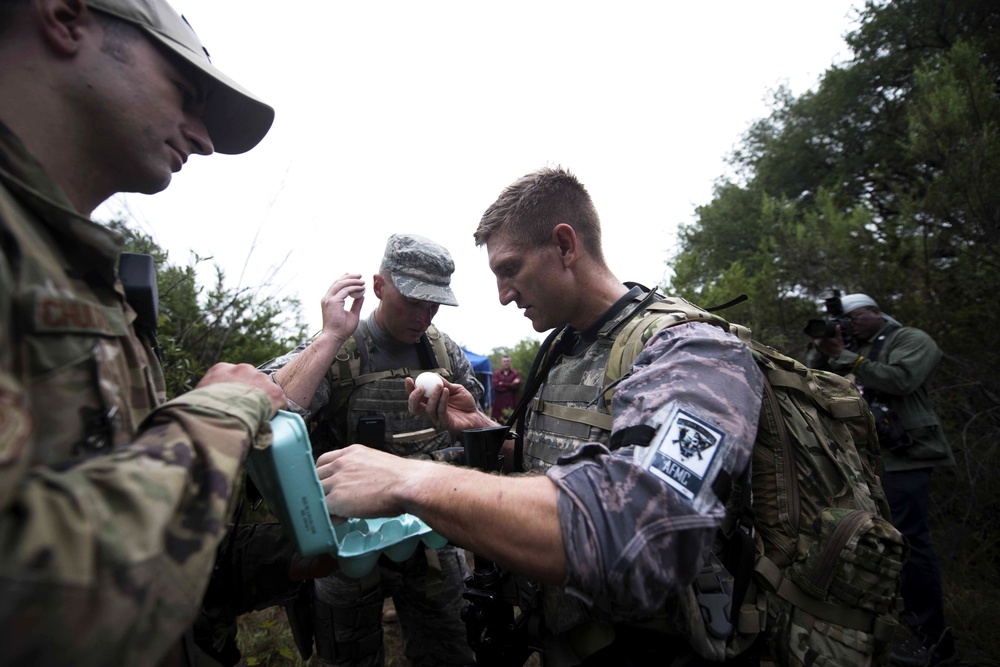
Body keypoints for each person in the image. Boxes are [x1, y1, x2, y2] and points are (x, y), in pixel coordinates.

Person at [314, 167, 765, 664]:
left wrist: (410, 479)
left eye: (510, 269)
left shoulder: (690, 351)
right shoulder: (563, 353)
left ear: (565, 246)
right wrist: (483, 431)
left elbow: (646, 531)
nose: (504, 294)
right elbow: (559, 468)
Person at [0, 0, 293, 664]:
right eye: (186, 93)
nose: (204, 136)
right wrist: (217, 413)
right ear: (66, 17)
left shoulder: (81, 276)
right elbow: (33, 605)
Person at [260, 233, 481, 667]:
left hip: (429, 535)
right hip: (348, 544)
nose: (424, 315)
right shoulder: (340, 350)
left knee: (451, 649)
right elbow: (270, 416)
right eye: (413, 300)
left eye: (434, 304)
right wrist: (327, 337)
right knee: (348, 656)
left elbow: (478, 430)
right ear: (379, 286)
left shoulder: (441, 351)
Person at [806, 294, 956, 666]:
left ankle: (932, 641)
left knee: (907, 542)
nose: (849, 325)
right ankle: (867, 626)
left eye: (855, 317)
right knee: (862, 538)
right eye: (844, 321)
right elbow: (814, 383)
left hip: (906, 457)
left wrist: (846, 356)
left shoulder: (910, 339)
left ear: (876, 312)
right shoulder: (851, 348)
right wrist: (823, 350)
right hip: (860, 459)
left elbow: (902, 380)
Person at [490, 354, 522, 421]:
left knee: (512, 423)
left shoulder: (516, 373)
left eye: (508, 361)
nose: (506, 363)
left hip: (512, 404)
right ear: (502, 362)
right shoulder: (496, 374)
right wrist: (511, 384)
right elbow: (496, 387)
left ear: (510, 362)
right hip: (499, 405)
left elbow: (516, 386)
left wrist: (502, 383)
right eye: (504, 361)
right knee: (497, 424)